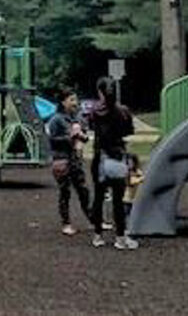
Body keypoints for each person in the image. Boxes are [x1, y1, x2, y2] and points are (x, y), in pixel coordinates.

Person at [88, 76, 138, 250]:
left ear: (99, 92)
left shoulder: (94, 112)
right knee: (118, 199)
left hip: (100, 156)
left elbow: (93, 129)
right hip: (117, 156)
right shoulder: (123, 111)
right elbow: (129, 132)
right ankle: (120, 237)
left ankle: (97, 235)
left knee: (99, 197)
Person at [46, 86, 92, 236]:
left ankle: (93, 219)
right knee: (65, 192)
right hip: (62, 159)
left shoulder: (77, 118)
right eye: (71, 100)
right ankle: (66, 223)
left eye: (75, 99)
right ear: (63, 102)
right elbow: (52, 141)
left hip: (75, 159)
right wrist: (70, 137)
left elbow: (84, 135)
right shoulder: (56, 120)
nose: (75, 103)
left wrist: (82, 136)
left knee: (83, 190)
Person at [124, 152, 144, 219]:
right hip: (126, 200)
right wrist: (141, 179)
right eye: (128, 162)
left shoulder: (138, 172)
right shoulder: (126, 172)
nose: (130, 164)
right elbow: (130, 182)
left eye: (131, 162)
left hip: (135, 200)